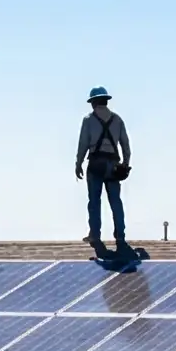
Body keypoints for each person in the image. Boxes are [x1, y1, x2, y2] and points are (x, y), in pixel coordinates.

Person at [74, 87, 130, 256]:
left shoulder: (88, 119)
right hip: (113, 164)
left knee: (94, 201)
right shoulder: (117, 119)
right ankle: (120, 236)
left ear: (93, 103)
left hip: (96, 164)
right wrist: (125, 163)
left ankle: (95, 235)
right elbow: (126, 145)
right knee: (115, 201)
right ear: (106, 101)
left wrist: (78, 164)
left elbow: (83, 144)